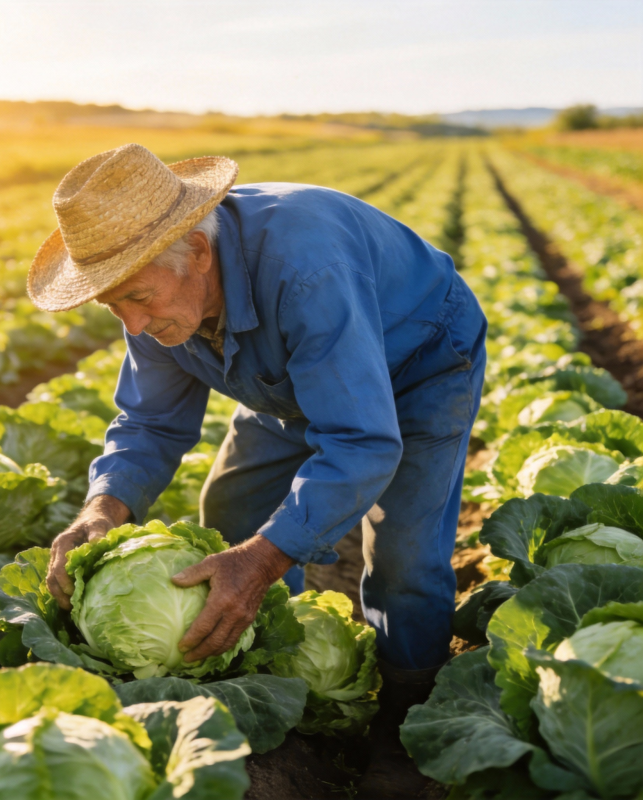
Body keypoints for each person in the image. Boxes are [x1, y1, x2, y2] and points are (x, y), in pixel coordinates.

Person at [29, 143, 487, 707]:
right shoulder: (150, 305)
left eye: (139, 298)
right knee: (233, 506)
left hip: (419, 362)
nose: (134, 324)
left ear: (198, 252)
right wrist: (101, 509)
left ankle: (410, 699)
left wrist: (263, 560)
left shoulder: (306, 271)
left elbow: (361, 440)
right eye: (112, 305)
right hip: (287, 372)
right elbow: (150, 421)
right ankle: (274, 656)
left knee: (403, 554)